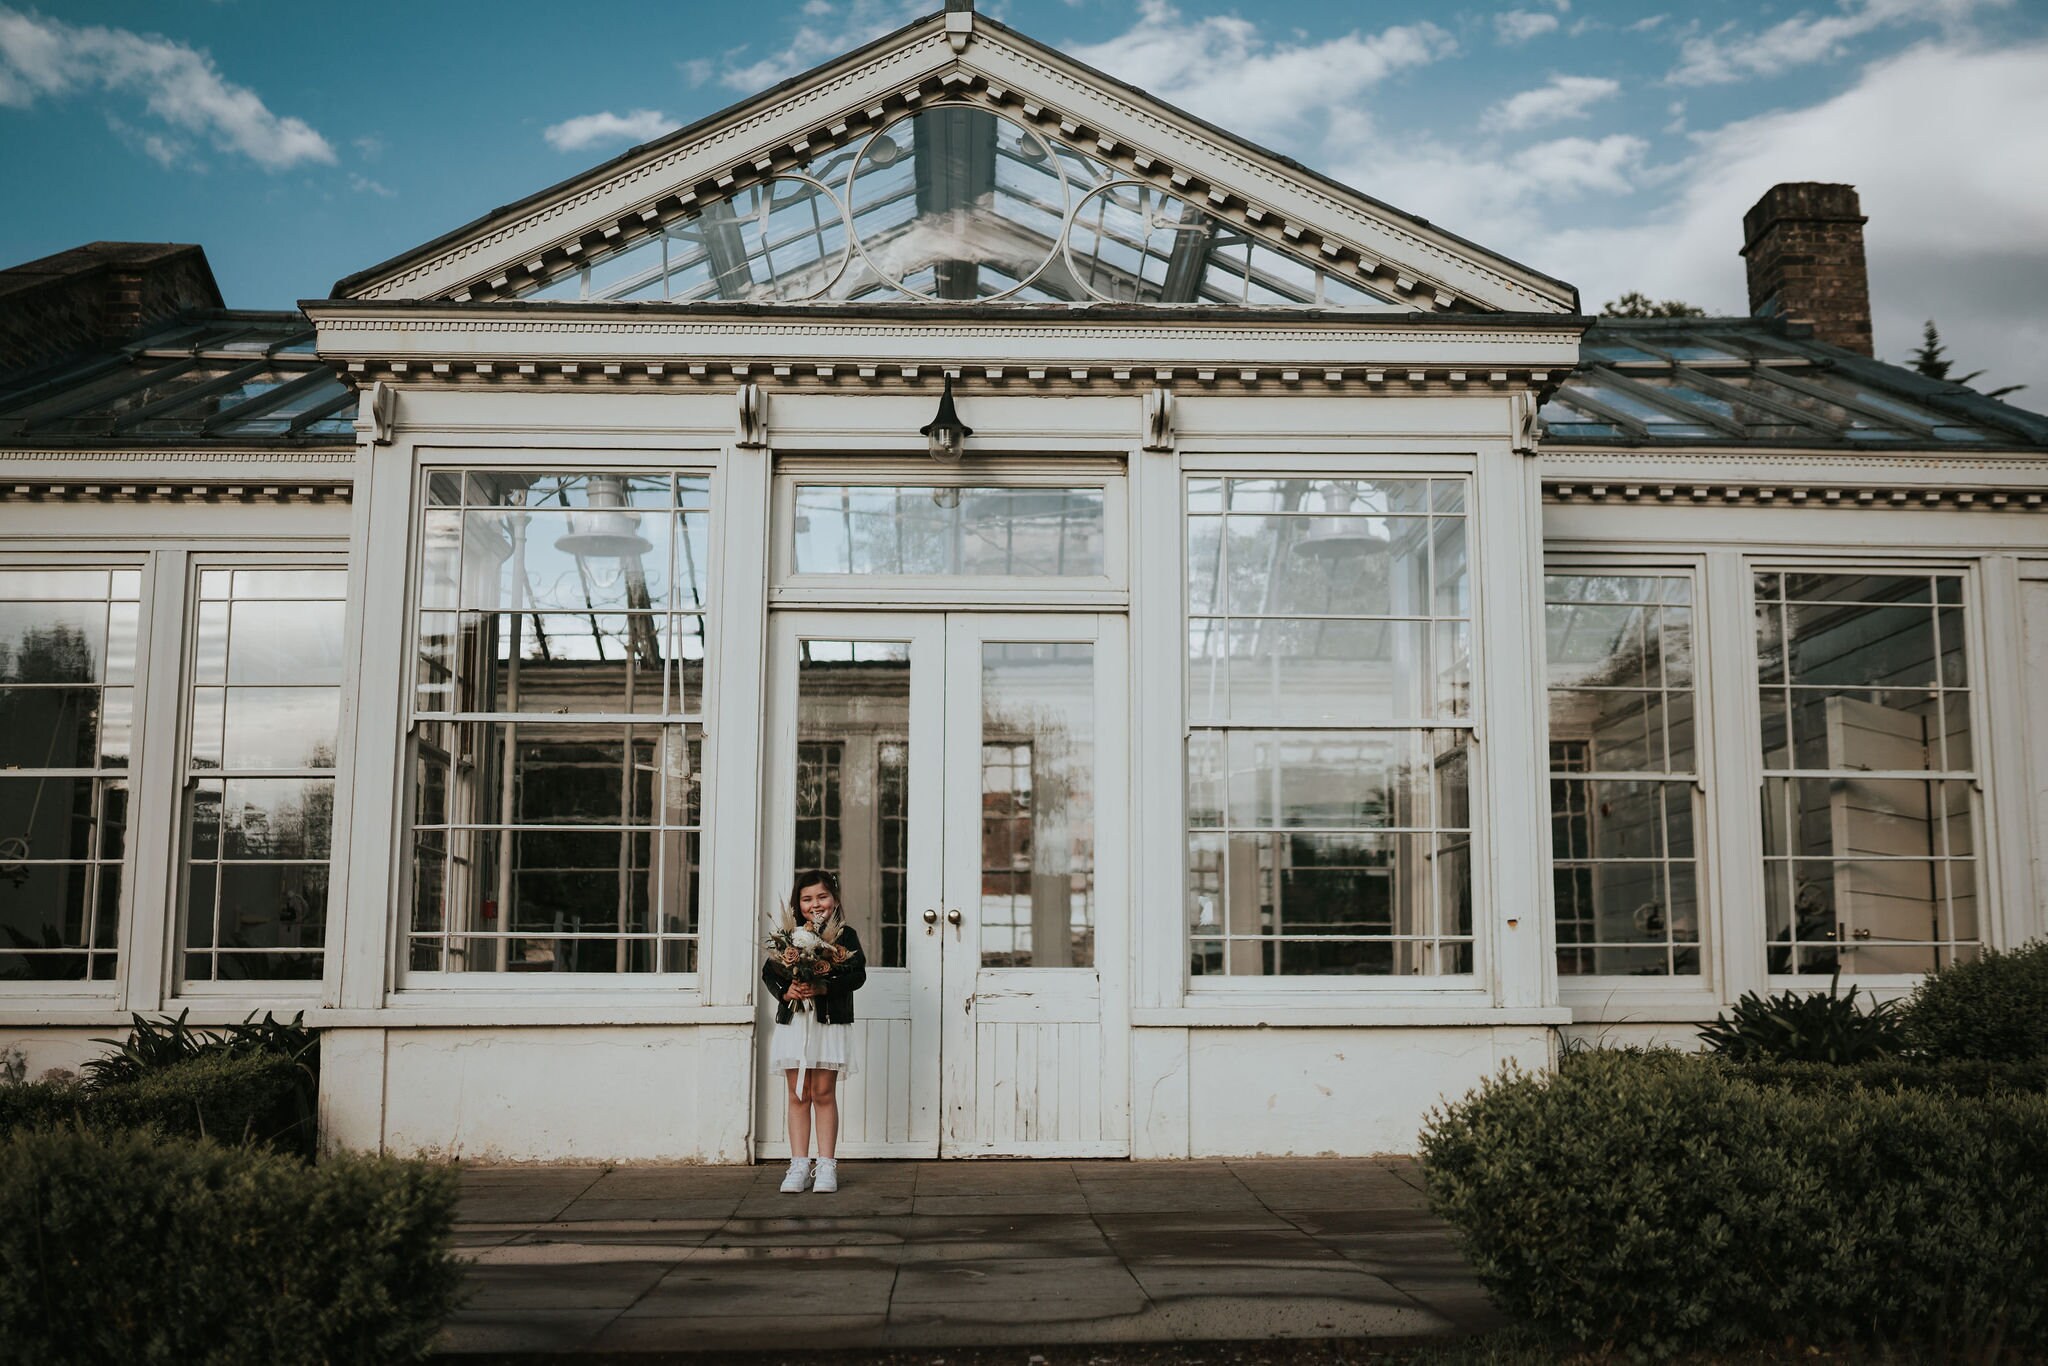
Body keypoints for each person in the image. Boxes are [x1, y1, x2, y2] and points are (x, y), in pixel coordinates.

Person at [762, 869, 865, 1193]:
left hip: (827, 1024)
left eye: (822, 897)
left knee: (822, 1093)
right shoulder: (787, 936)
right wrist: (785, 991)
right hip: (797, 1023)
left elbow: (856, 975)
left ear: (834, 900)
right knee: (798, 1094)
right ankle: (798, 1164)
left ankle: (826, 1165)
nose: (815, 904)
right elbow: (770, 972)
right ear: (798, 903)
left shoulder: (845, 936)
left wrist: (824, 986)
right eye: (807, 899)